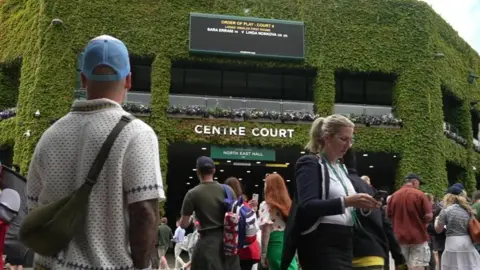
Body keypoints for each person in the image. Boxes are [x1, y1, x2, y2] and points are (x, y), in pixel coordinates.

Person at [26, 35, 165, 270]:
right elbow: (144, 212)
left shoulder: (50, 136)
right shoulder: (138, 134)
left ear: (83, 79)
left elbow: (33, 207)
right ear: (129, 80)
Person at [282, 114, 381, 270]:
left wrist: (365, 205)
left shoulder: (341, 168)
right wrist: (347, 201)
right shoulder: (310, 163)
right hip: (321, 242)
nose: (348, 145)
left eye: (351, 140)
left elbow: (346, 207)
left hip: (346, 241)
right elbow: (307, 205)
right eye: (343, 139)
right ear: (327, 138)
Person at [342, 149, 406, 270]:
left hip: (350, 254)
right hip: (375, 254)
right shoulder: (370, 189)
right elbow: (386, 225)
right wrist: (399, 258)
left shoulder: (338, 185)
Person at [179, 156, 240, 270]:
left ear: (198, 171)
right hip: (229, 244)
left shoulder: (192, 194)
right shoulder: (228, 190)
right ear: (214, 170)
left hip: (207, 245)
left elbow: (183, 224)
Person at [387, 173, 432, 270]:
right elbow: (429, 215)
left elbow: (388, 216)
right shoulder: (420, 195)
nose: (419, 186)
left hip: (399, 237)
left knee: (402, 265)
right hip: (418, 236)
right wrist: (423, 223)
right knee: (418, 265)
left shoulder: (393, 196)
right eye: (419, 183)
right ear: (414, 182)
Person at [258, 173, 298, 270]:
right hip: (288, 246)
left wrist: (263, 254)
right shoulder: (289, 205)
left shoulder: (266, 206)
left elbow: (266, 231)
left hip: (274, 246)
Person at [435, 185, 480, 269]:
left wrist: (436, 221)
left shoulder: (445, 210)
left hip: (452, 242)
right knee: (469, 266)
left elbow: (438, 230)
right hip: (466, 242)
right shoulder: (468, 210)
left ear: (448, 197)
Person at [224, 177, 261, 270]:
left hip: (231, 251)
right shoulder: (246, 206)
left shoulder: (225, 206)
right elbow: (254, 229)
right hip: (249, 250)